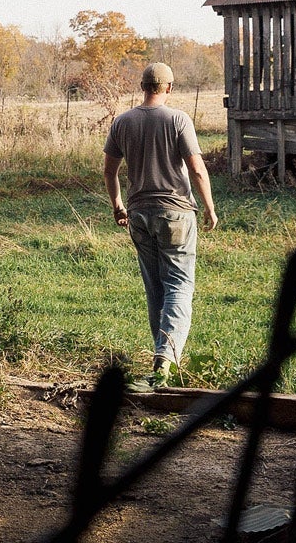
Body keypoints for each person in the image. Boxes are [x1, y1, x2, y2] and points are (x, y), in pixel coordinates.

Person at [103, 62, 218, 387]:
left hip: (139, 214)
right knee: (179, 286)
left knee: (156, 290)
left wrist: (118, 206)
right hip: (176, 214)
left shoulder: (122, 122)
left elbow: (110, 171)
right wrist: (209, 207)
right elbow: (196, 169)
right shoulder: (178, 119)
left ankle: (161, 360)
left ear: (142, 86)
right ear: (169, 88)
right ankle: (164, 363)